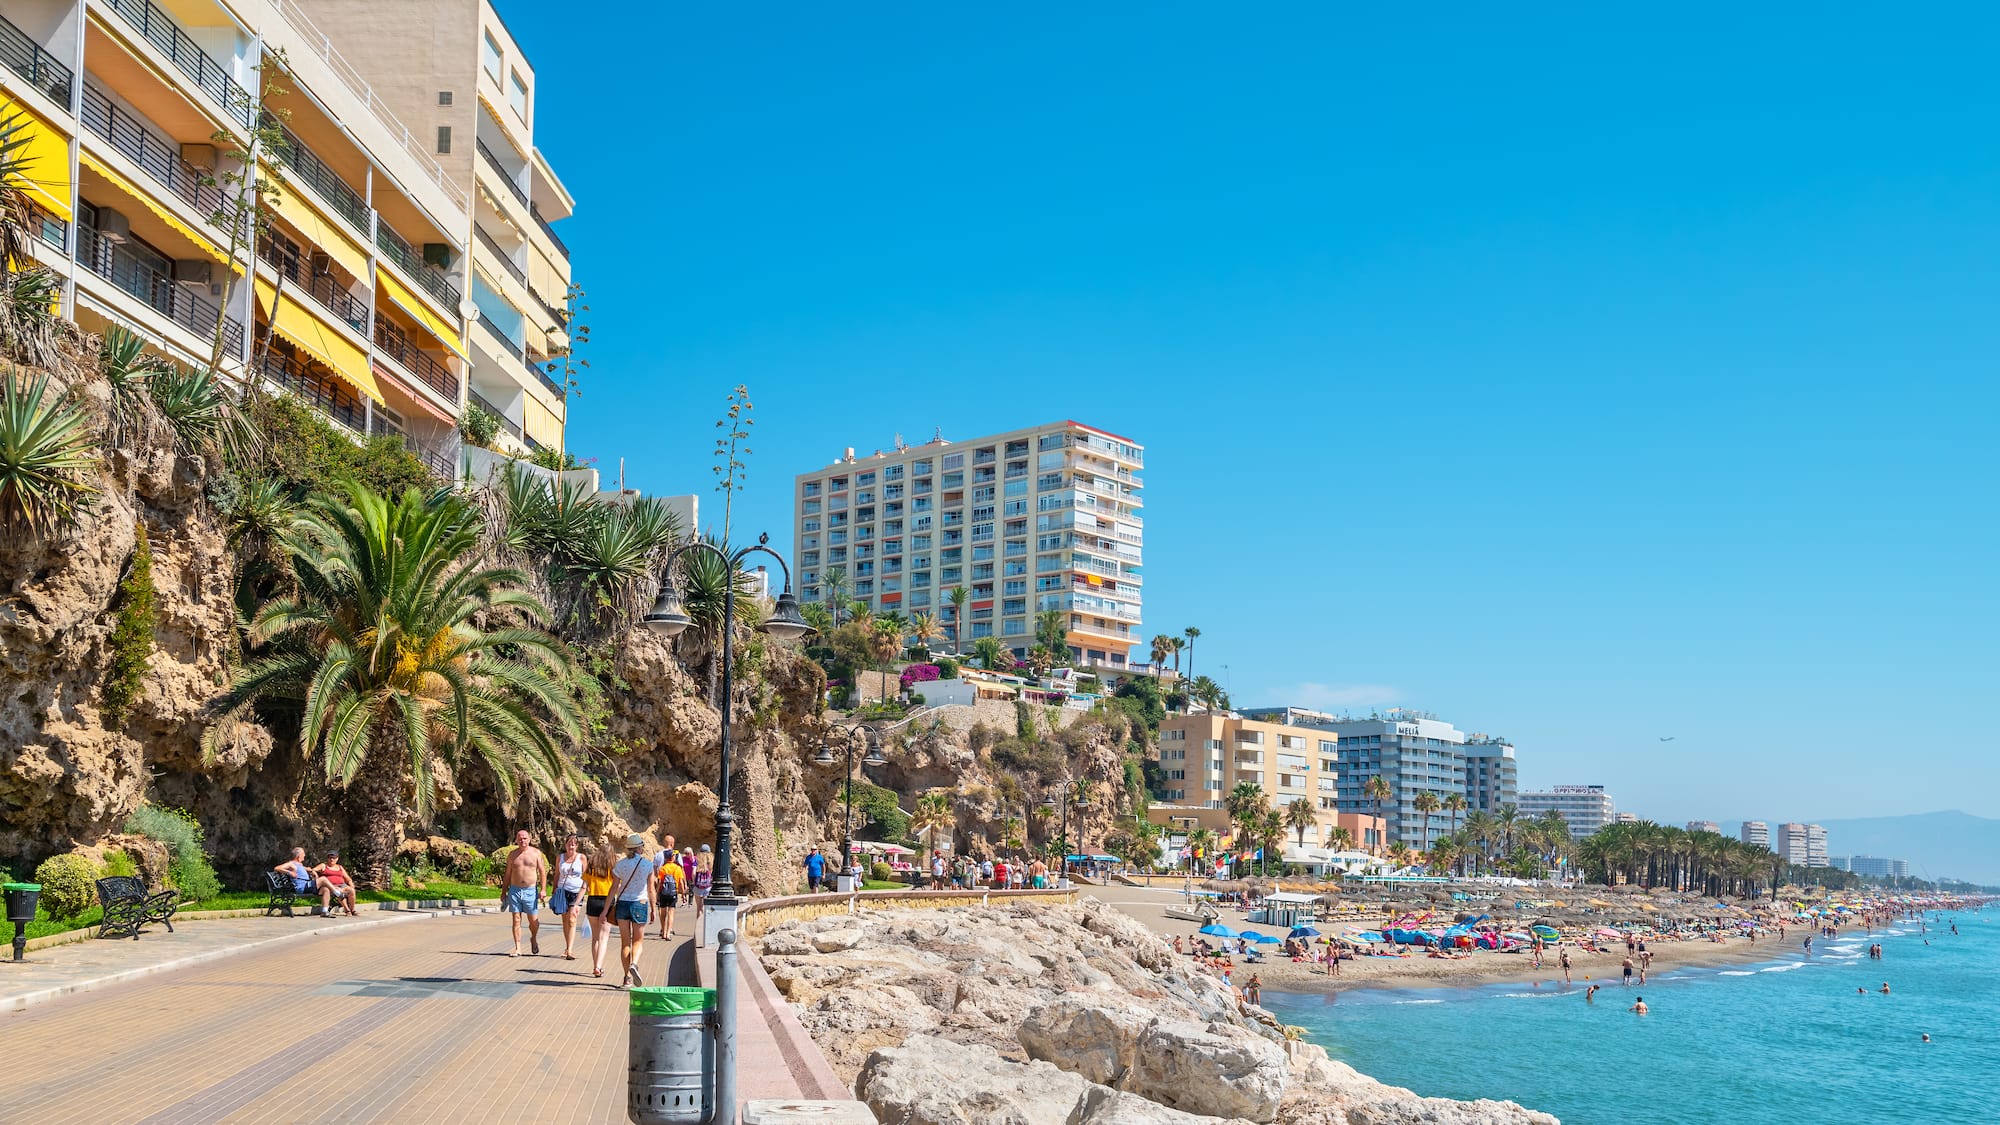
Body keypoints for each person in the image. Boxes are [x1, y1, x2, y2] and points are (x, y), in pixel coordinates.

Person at [605, 834, 658, 988]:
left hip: (622, 904)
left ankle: (627, 978)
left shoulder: (620, 865)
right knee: (638, 940)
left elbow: (613, 888)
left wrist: (605, 910)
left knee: (625, 942)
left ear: (628, 848)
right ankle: (634, 963)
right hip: (640, 903)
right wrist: (654, 909)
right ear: (640, 848)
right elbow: (651, 890)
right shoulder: (647, 865)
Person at [500, 829, 547, 956]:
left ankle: (534, 938)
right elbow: (507, 874)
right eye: (520, 838)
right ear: (516, 840)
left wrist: (543, 890)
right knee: (516, 919)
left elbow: (542, 872)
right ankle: (518, 948)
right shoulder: (512, 855)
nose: (522, 840)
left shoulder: (536, 853)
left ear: (529, 839)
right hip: (514, 890)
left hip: (530, 890)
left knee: (533, 921)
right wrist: (503, 892)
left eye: (525, 838)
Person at [548, 834, 586, 961]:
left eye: (574, 843)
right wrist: (554, 891)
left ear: (577, 846)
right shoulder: (560, 858)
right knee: (565, 921)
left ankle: (570, 950)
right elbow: (557, 875)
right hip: (562, 892)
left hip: (576, 893)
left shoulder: (582, 858)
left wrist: (585, 890)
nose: (571, 846)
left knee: (572, 920)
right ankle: (567, 946)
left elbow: (586, 876)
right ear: (565, 844)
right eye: (569, 843)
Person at [584, 838, 616, 978]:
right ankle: (599, 966)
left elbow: (585, 883)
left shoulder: (591, 865)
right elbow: (616, 886)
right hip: (607, 901)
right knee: (604, 937)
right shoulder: (613, 866)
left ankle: (594, 965)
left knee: (595, 937)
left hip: (592, 899)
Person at [312, 851, 357, 916]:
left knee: (351, 890)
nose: (331, 859)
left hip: (342, 885)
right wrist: (315, 874)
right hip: (330, 886)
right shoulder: (323, 865)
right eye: (330, 858)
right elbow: (313, 870)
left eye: (333, 858)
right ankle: (347, 910)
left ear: (337, 859)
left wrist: (350, 883)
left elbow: (347, 877)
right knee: (339, 891)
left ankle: (352, 910)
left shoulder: (340, 867)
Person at [655, 850, 683, 939]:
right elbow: (681, 882)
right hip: (673, 892)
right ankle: (668, 933)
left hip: (664, 893)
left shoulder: (663, 868)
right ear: (672, 857)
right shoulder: (677, 868)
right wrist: (683, 893)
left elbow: (660, 882)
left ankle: (663, 931)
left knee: (663, 912)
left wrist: (657, 893)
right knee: (671, 913)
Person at [693, 845, 714, 913]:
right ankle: (705, 923)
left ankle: (699, 923)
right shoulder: (711, 861)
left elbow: (693, 873)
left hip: (698, 886)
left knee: (699, 908)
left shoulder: (696, 860)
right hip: (708, 886)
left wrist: (694, 882)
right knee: (706, 907)